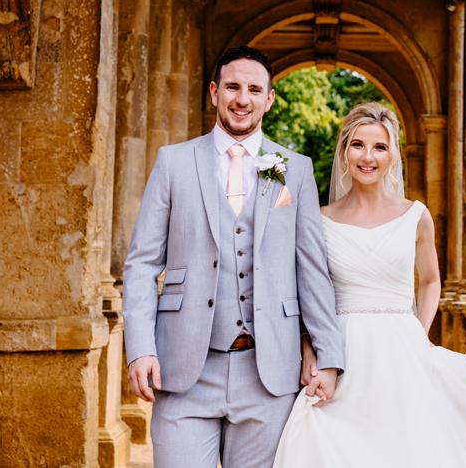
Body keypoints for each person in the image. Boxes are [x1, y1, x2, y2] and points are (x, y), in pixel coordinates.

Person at [122, 46, 345, 468]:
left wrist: (326, 354)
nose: (242, 99)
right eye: (233, 87)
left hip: (268, 373)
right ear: (214, 92)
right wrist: (140, 348)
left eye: (254, 89)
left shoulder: (287, 167)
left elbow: (311, 269)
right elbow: (142, 264)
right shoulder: (175, 162)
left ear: (269, 98)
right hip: (183, 370)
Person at [273, 102, 466, 467]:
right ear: (344, 152)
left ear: (392, 155)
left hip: (402, 347)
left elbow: (431, 281)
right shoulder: (319, 220)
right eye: (358, 145)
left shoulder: (415, 216)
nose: (368, 156)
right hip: (342, 351)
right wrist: (311, 351)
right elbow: (306, 293)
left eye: (379, 147)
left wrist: (418, 334)